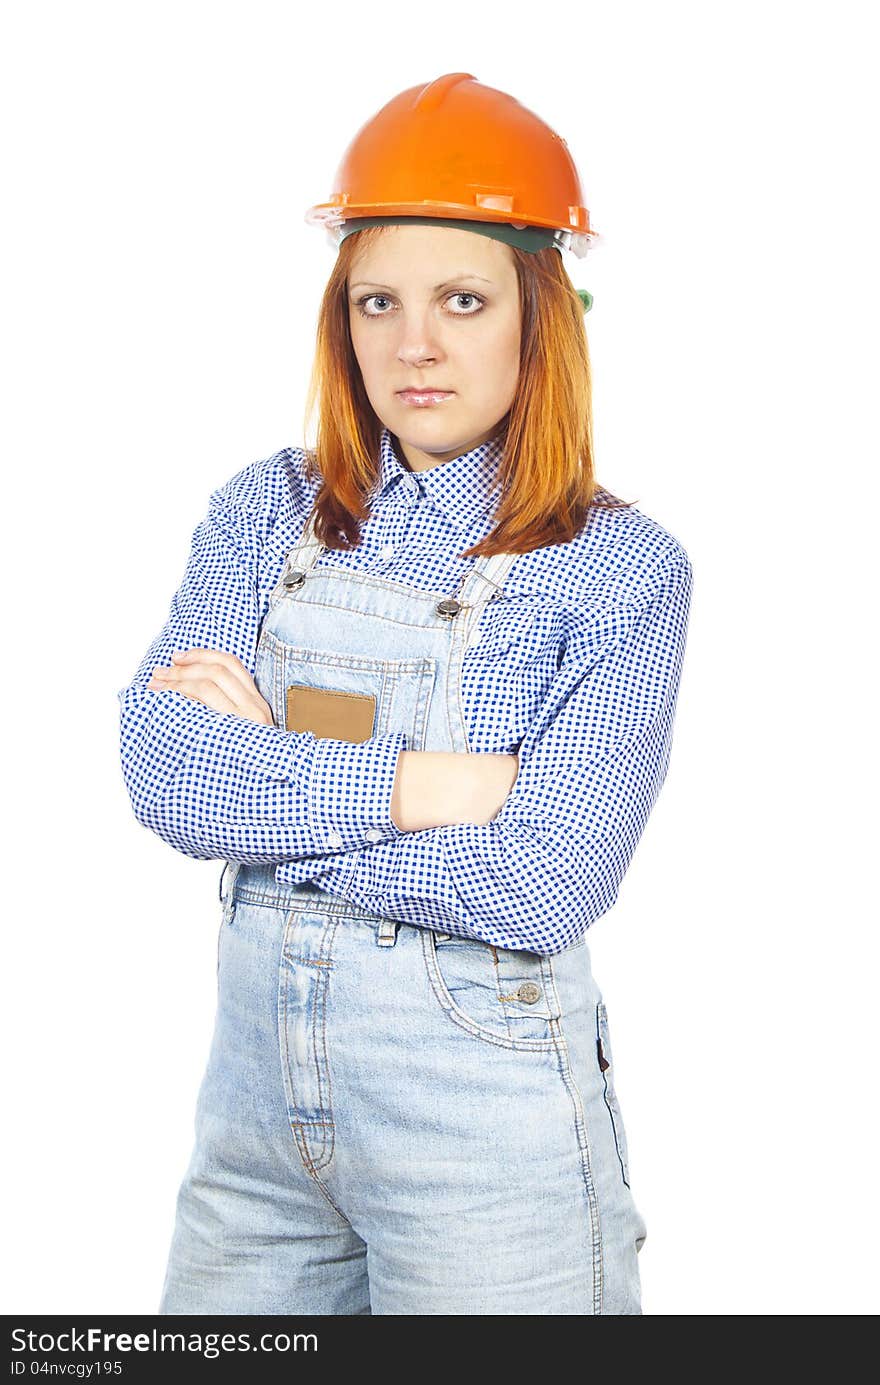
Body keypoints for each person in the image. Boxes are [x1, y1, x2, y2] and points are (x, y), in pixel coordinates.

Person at [116, 72, 693, 1315]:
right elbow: (164, 772)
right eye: (377, 301)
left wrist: (264, 790)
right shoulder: (262, 508)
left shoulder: (617, 569)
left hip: (490, 1153)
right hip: (257, 1140)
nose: (413, 343)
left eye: (462, 301)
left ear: (543, 316)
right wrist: (431, 788)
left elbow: (543, 881)